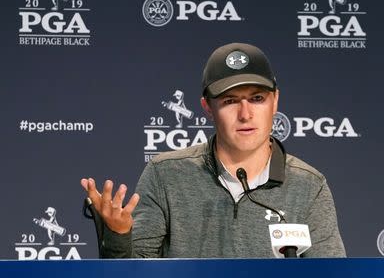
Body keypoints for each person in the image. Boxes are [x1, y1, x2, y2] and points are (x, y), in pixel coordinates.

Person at [81, 42, 346, 258]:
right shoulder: (165, 175)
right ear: (207, 107)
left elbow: (332, 276)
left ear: (275, 101)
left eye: (257, 98)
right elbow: (132, 273)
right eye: (230, 101)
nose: (245, 114)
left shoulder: (309, 186)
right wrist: (117, 236)